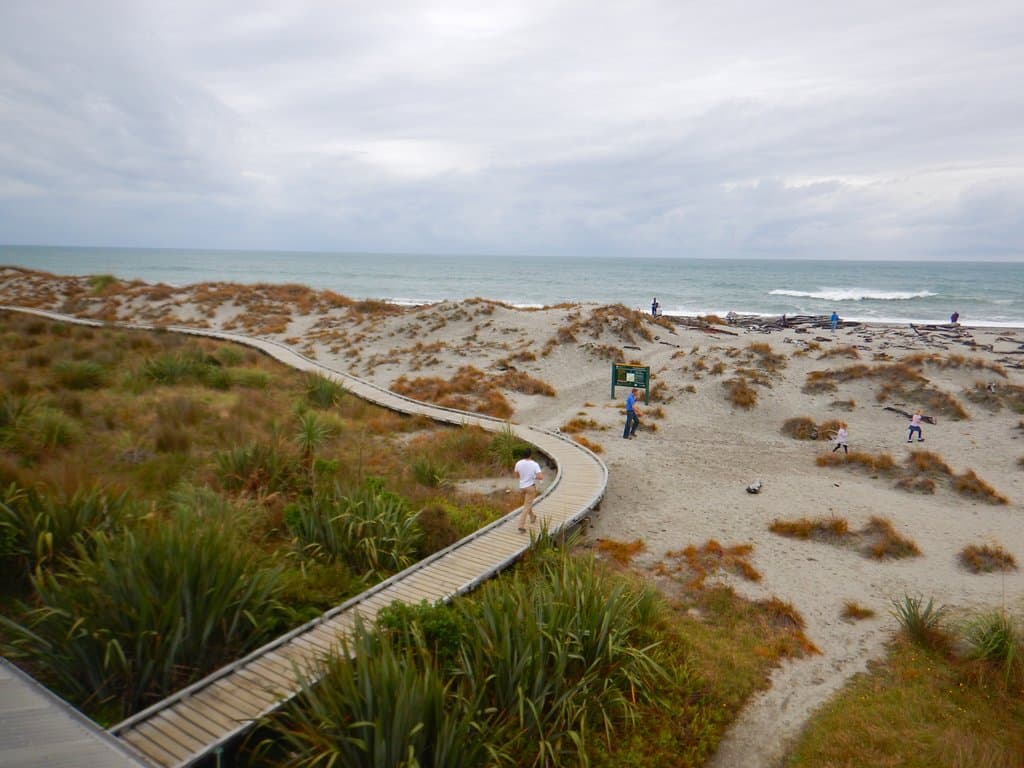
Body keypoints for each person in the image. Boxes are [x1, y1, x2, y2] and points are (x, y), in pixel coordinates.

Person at [513, 447, 543, 533]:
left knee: (527, 503)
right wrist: (533, 476)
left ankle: (533, 517)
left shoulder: (518, 463)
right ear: (530, 455)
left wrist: (523, 476)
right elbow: (541, 477)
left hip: (522, 487)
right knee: (526, 506)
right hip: (530, 487)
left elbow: (516, 475)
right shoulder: (534, 464)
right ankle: (520, 526)